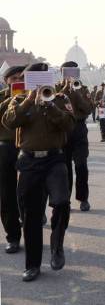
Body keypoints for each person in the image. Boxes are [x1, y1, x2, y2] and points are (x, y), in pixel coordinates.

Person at [3, 62, 75, 282]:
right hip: (29, 162)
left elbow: (69, 125)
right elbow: (9, 122)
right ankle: (32, 264)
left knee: (62, 202)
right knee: (30, 214)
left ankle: (57, 246)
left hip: (54, 159)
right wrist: (28, 100)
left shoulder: (61, 99)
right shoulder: (17, 100)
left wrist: (50, 105)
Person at [58, 61, 94, 212]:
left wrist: (77, 93)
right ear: (62, 73)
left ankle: (83, 198)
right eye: (67, 72)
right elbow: (56, 107)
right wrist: (66, 89)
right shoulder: (55, 89)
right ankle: (65, 198)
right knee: (64, 168)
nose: (70, 76)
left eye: (73, 72)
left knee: (81, 166)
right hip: (63, 130)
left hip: (79, 128)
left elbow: (88, 109)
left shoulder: (83, 89)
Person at [0, 65, 25, 254]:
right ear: (6, 80)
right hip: (6, 148)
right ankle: (13, 236)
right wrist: (11, 100)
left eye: (21, 77)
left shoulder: (34, 95)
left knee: (29, 193)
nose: (18, 81)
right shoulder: (2, 97)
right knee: (7, 194)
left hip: (29, 148)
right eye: (14, 78)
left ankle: (31, 223)